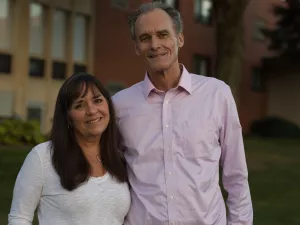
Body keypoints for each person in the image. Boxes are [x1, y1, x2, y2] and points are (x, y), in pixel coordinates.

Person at [112, 2, 253, 225]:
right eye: (145, 38)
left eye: (163, 34)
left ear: (180, 39)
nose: (155, 44)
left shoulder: (217, 94)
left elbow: (236, 176)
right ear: (137, 47)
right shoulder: (119, 105)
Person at [8, 73, 130, 225]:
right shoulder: (43, 156)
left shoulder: (118, 159)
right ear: (68, 117)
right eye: (79, 105)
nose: (92, 111)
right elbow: (19, 218)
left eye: (97, 100)